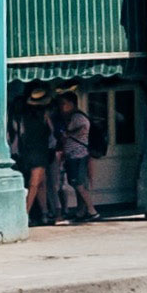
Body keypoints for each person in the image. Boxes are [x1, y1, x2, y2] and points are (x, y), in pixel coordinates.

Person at [55, 96, 98, 224]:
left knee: (79, 184)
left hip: (77, 155)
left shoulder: (77, 117)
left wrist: (67, 134)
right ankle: (81, 211)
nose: (62, 107)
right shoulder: (73, 117)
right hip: (74, 155)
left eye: (65, 104)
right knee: (77, 184)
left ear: (72, 104)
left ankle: (92, 211)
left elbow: (80, 131)